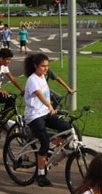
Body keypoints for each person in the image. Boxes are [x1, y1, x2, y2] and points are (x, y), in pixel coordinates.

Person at [24, 53, 71, 187]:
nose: (45, 69)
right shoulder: (32, 79)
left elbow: (46, 93)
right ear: (35, 66)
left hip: (45, 113)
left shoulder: (43, 77)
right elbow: (39, 94)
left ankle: (49, 150)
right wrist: (49, 105)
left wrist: (50, 107)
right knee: (44, 143)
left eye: (47, 66)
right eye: (43, 66)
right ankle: (40, 175)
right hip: (34, 116)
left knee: (66, 127)